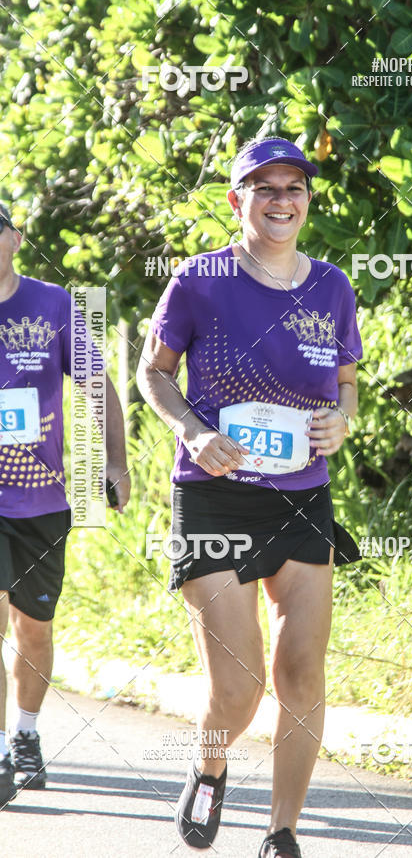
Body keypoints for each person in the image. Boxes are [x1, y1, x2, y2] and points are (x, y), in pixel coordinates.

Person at [137, 136, 362, 858]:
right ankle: (209, 766)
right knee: (237, 693)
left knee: (301, 671)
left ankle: (282, 833)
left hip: (302, 498)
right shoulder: (199, 280)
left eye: (293, 187)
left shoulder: (331, 285)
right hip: (215, 497)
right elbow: (154, 373)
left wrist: (342, 420)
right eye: (263, 188)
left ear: (307, 200)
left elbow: (348, 381)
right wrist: (194, 432)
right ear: (238, 201)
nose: (280, 201)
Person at [0, 203, 130, 807]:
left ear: (15, 239)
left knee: (36, 627)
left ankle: (26, 732)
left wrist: (115, 460)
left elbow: (96, 382)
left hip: (44, 499)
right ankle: (1, 750)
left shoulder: (55, 304)